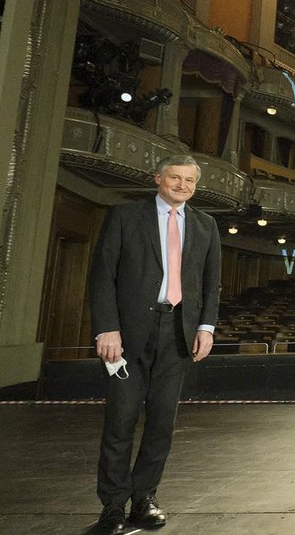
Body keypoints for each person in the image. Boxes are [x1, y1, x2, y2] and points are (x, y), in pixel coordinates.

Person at [88, 155, 221, 534]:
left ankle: (144, 498)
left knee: (162, 421)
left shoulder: (205, 225)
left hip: (178, 333)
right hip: (128, 335)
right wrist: (106, 329)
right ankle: (113, 506)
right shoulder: (125, 217)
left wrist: (206, 327)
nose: (182, 185)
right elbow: (102, 276)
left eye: (189, 181)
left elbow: (211, 283)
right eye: (175, 178)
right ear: (158, 178)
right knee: (121, 420)